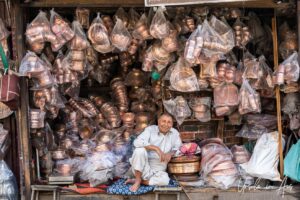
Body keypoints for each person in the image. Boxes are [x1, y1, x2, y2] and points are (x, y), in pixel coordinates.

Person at [125, 113, 182, 192]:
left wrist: (171, 153)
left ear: (172, 124)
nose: (166, 124)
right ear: (158, 122)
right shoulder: (150, 130)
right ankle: (138, 180)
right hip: (143, 167)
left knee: (165, 181)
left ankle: (141, 181)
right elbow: (137, 142)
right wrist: (155, 148)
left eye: (169, 122)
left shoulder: (174, 133)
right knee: (139, 150)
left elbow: (179, 148)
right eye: (163, 121)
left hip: (159, 170)